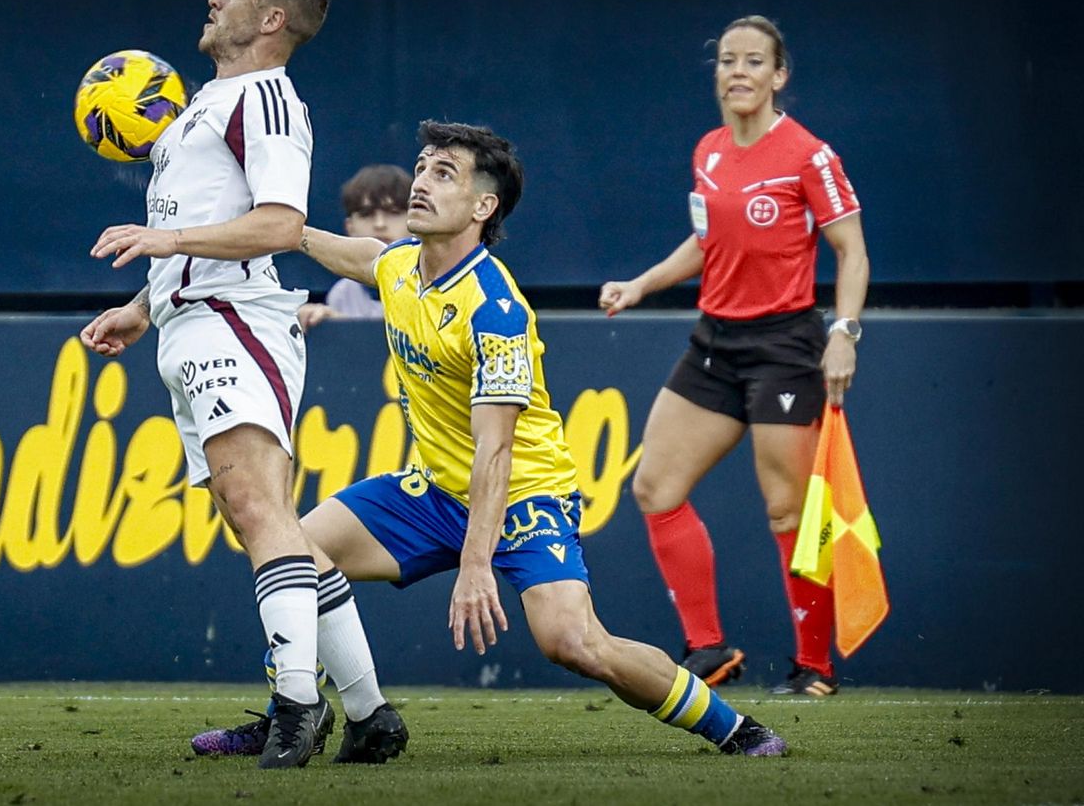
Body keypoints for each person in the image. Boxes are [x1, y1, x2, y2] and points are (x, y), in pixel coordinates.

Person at [195, 120, 787, 759]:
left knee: (576, 643)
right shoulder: (399, 267)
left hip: (524, 498)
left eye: (443, 174)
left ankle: (735, 728)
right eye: (421, 168)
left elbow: (496, 451)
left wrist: (477, 563)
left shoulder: (495, 310)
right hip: (436, 492)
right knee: (293, 550)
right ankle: (298, 706)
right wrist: (286, 229)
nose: (421, 182)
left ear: (484, 206)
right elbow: (354, 254)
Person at [81, 0, 400, 770]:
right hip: (194, 323)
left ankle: (296, 706)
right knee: (264, 520)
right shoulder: (205, 105)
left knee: (260, 510)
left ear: (270, 20)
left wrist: (169, 241)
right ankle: (368, 714)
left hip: (237, 323)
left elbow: (281, 225)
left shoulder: (266, 100)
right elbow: (202, 236)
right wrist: (143, 307)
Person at [599, 15, 870, 697]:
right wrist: (640, 283)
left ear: (779, 76)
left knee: (788, 511)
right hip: (714, 342)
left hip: (786, 345)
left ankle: (815, 668)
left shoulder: (809, 154)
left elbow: (851, 249)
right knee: (654, 487)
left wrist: (845, 331)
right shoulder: (709, 150)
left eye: (755, 61)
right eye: (728, 60)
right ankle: (708, 649)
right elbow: (704, 243)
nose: (739, 72)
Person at [297, 164, 413, 329]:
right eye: (367, 214)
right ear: (349, 227)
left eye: (394, 212)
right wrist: (329, 322)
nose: (380, 224)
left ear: (414, 221)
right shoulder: (342, 293)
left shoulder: (436, 285)